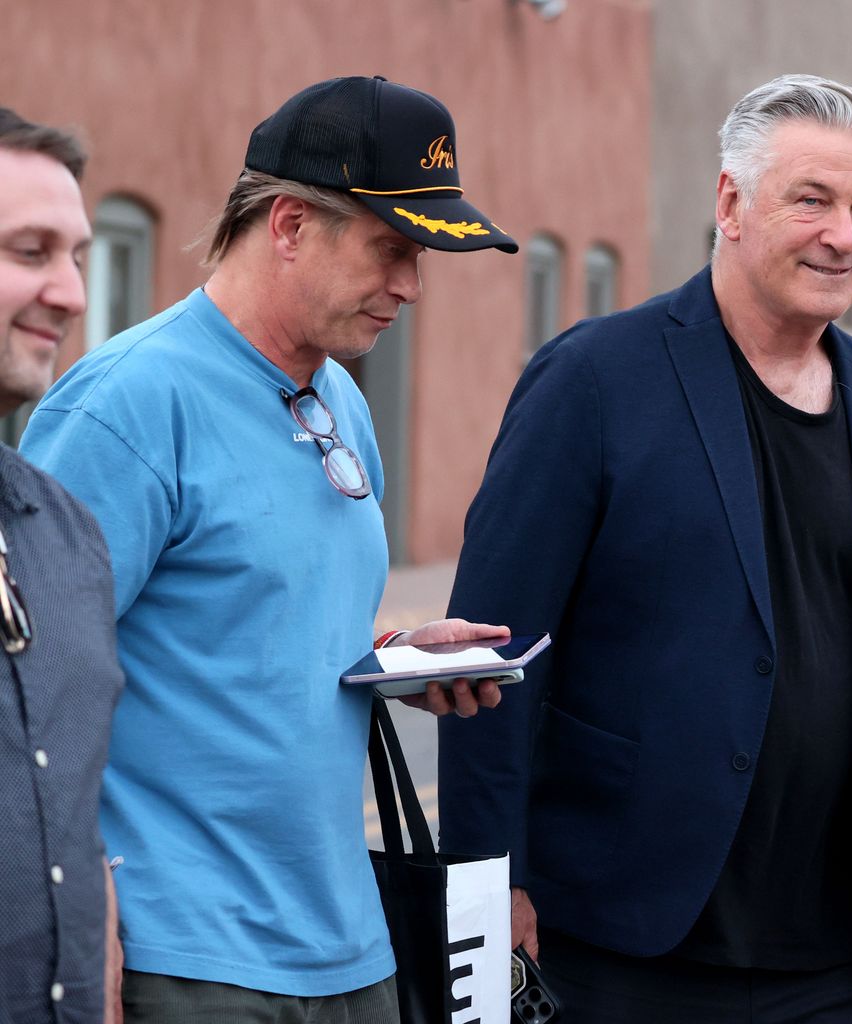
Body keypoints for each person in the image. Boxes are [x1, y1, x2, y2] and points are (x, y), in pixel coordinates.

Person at [438, 74, 852, 1023]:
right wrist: (487, 883)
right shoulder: (593, 380)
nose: (844, 234)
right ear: (730, 203)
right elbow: (489, 653)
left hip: (836, 952)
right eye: (814, 200)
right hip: (623, 940)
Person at [20, 76, 517, 1023]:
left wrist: (397, 660)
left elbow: (257, 630)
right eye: (391, 249)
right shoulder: (125, 405)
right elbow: (29, 692)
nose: (410, 286)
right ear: (288, 224)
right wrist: (83, 923)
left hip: (348, 943)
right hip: (187, 956)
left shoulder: (342, 401)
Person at [0, 108, 124, 1024]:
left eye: (77, 254)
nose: (72, 293)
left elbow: (78, 821)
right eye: (29, 251)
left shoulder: (66, 533)